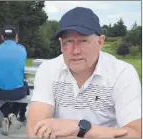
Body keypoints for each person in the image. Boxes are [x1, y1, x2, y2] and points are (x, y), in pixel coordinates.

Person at [27, 7, 141, 138]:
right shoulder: (48, 70)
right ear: (60, 43)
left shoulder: (122, 74)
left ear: (100, 42)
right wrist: (104, 133)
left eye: (83, 41)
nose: (75, 51)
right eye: (68, 41)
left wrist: (77, 127)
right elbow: (35, 131)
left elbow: (136, 134)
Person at [0, 25, 29, 135]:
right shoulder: (22, 50)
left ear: (2, 37)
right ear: (16, 37)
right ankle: (18, 116)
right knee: (26, 89)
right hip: (17, 93)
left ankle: (7, 115)